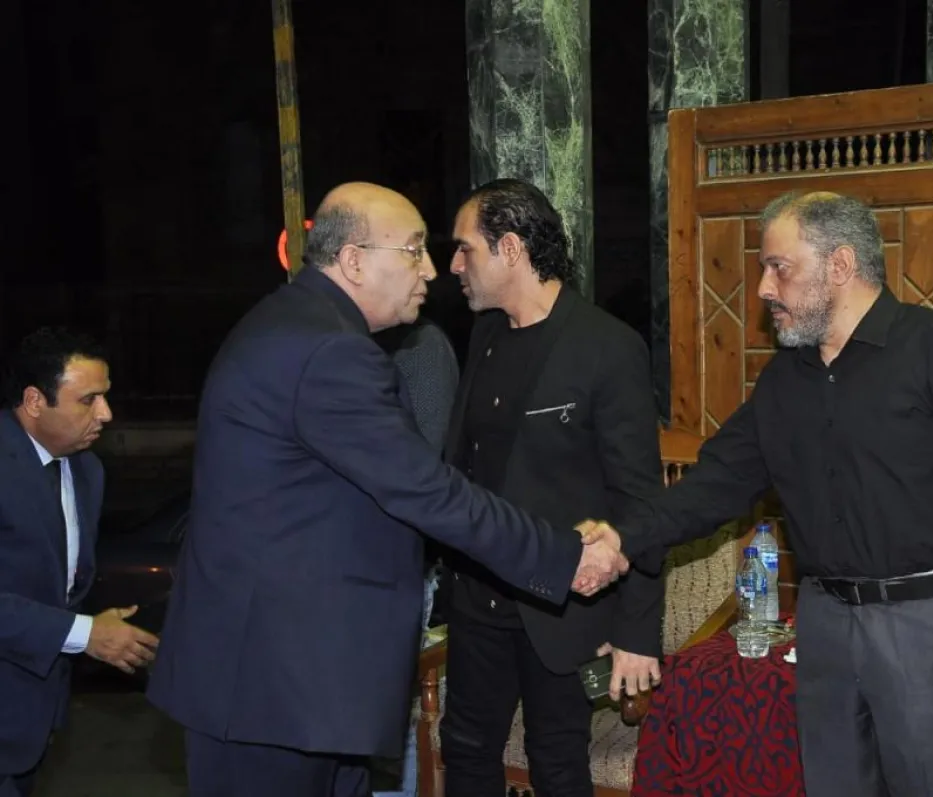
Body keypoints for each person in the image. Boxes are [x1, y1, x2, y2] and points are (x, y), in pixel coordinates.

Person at [145, 182, 628, 797]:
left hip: (300, 686)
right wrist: (564, 556)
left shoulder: (305, 327)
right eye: (414, 249)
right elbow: (427, 491)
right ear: (353, 260)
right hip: (272, 691)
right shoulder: (327, 351)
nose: (431, 269)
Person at [583, 191, 933, 796]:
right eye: (764, 270)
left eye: (780, 268)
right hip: (824, 625)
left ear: (841, 264)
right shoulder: (784, 381)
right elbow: (715, 485)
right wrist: (621, 538)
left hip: (930, 624)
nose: (764, 289)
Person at [438, 179, 664, 797]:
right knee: (465, 749)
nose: (454, 265)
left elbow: (641, 502)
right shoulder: (484, 335)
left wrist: (637, 635)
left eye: (465, 249)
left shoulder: (607, 347)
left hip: (562, 608)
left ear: (510, 248)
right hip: (477, 599)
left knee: (557, 761)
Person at [0, 327, 159, 797]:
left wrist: (90, 625)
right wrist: (84, 633)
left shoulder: (87, 470)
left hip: (29, 721)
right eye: (88, 400)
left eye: (105, 397)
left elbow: (53, 587)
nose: (106, 414)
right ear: (34, 401)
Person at [382, 317, 460, 796]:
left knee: (417, 706)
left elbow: (422, 471)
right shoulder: (357, 340)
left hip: (411, 563)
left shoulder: (421, 349)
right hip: (375, 564)